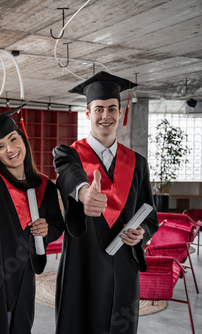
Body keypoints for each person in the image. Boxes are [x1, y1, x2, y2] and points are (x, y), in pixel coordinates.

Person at [53, 71, 159, 334]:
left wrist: (142, 232)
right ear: (88, 113)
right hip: (83, 260)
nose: (105, 116)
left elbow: (150, 215)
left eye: (112, 108)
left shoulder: (138, 164)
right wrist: (84, 192)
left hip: (123, 262)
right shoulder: (70, 155)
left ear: (120, 113)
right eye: (98, 109)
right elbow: (69, 176)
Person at [0, 107, 65, 333]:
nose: (10, 149)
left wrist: (46, 230)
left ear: (23, 139)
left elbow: (56, 225)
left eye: (13, 139)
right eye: (0, 146)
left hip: (23, 282)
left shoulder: (45, 186)